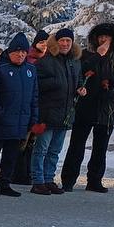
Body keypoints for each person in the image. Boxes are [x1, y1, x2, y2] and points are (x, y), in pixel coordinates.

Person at [60, 22, 114, 194]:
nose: (103, 40)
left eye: (106, 37)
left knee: (100, 147)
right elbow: (81, 71)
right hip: (86, 104)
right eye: (100, 36)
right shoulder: (87, 54)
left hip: (107, 107)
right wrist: (98, 55)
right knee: (76, 145)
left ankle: (94, 180)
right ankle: (68, 180)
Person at [0, 33, 38, 198]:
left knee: (11, 155)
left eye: (23, 52)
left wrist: (33, 118)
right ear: (10, 52)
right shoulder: (0, 69)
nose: (20, 55)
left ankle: (4, 183)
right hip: (1, 120)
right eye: (17, 51)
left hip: (21, 121)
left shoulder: (31, 70)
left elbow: (34, 97)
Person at [31, 28, 82, 195]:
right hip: (47, 112)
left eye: (68, 41)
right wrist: (55, 83)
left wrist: (81, 88)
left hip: (65, 114)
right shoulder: (46, 60)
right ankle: (38, 180)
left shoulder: (74, 61)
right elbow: (36, 85)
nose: (65, 44)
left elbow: (78, 81)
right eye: (62, 40)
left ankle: (49, 179)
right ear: (56, 42)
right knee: (41, 149)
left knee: (55, 150)